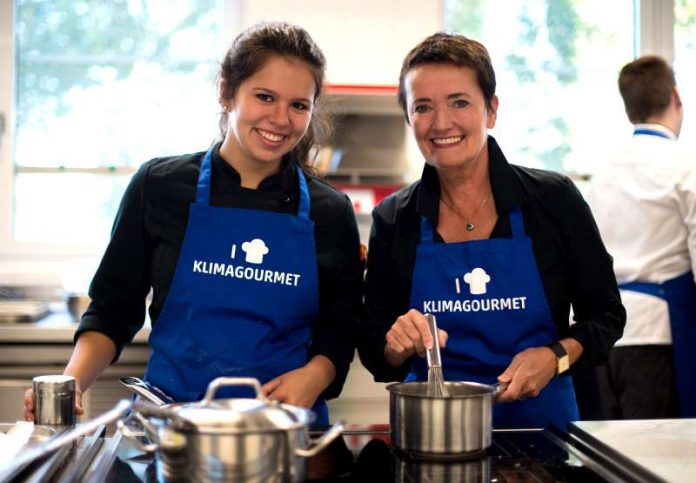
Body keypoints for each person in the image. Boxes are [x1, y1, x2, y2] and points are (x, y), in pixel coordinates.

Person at [23, 21, 363, 426]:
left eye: (298, 105)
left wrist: (315, 374)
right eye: (264, 97)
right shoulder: (160, 186)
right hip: (172, 429)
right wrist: (70, 384)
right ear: (226, 92)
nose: (280, 118)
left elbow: (341, 327)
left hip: (283, 431)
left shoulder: (330, 211)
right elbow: (113, 308)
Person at [357, 32, 625, 429]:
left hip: (542, 429)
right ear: (409, 117)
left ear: (491, 110)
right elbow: (375, 352)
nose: (441, 122)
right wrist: (394, 345)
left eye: (459, 102)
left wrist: (555, 357)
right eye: (423, 107)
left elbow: (606, 316)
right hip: (433, 432)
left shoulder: (553, 201)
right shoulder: (395, 218)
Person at [587, 55, 696, 418]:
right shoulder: (685, 166)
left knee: (612, 463)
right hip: (661, 337)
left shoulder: (602, 172)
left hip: (607, 339)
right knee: (661, 463)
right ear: (676, 97)